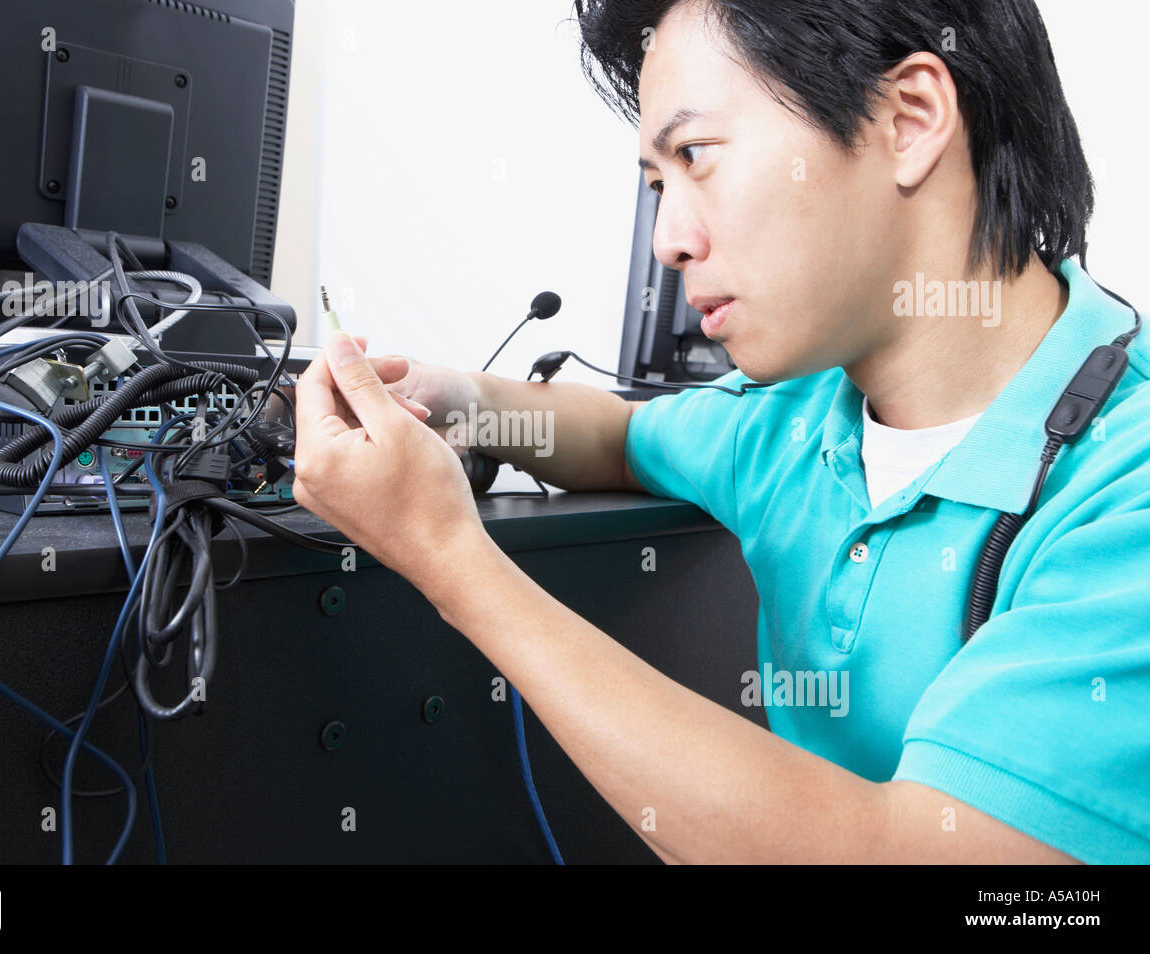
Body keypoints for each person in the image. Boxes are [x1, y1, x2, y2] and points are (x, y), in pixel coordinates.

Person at [292, 0, 1150, 863]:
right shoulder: (801, 416)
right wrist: (455, 399)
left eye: (696, 156)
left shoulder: (1128, 488)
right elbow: (621, 439)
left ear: (909, 119)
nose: (668, 239)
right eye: (661, 184)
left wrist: (447, 555)